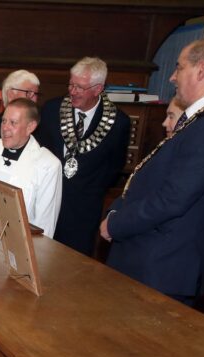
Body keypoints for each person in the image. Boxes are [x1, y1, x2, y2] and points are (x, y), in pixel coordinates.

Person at [101, 38, 204, 305]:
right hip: (153, 259)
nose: (172, 77)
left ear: (201, 69)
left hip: (163, 266)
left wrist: (116, 223)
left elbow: (172, 199)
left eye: (179, 67)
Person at [37, 57, 130, 256]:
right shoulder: (52, 110)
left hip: (84, 211)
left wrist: (88, 188)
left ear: (98, 89)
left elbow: (114, 166)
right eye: (71, 84)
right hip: (46, 200)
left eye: (80, 87)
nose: (72, 91)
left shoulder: (118, 122)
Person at [0, 98, 62, 236]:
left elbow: (45, 224)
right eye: (4, 121)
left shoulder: (48, 165)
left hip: (15, 248)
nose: (5, 128)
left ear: (30, 127)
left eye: (13, 123)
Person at [0, 69, 41, 151]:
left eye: (36, 94)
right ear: (10, 95)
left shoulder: (42, 129)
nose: (34, 99)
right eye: (29, 93)